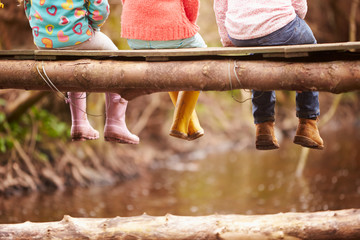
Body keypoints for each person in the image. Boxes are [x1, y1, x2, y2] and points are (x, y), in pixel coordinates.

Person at [22, 0, 139, 144]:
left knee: (75, 61)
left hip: (44, 42)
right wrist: (92, 28)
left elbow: (28, 8)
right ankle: (115, 123)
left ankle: (79, 124)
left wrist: (43, 30)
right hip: (79, 36)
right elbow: (100, 10)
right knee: (118, 60)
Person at [214, 0, 324, 150]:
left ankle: (263, 127)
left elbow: (220, 6)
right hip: (279, 25)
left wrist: (227, 39)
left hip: (240, 32)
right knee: (311, 52)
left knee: (259, 55)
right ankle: (308, 123)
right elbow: (299, 4)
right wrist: (291, 19)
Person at [120, 0, 206, 141]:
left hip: (136, 37)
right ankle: (180, 122)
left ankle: (191, 125)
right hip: (169, 31)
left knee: (169, 60)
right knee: (203, 56)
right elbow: (191, 3)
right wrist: (188, 24)